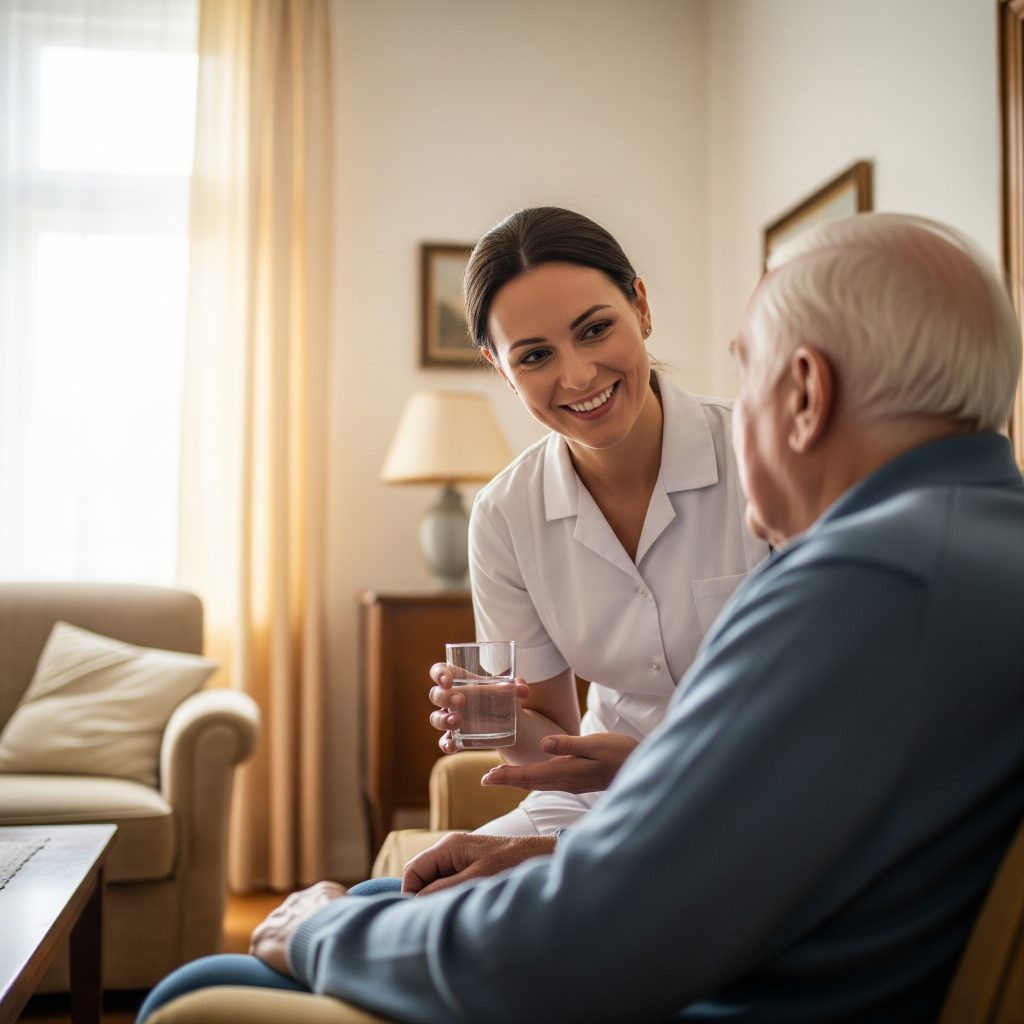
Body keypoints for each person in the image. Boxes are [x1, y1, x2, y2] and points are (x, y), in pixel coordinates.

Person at [138, 212, 1024, 1023]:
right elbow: (756, 844)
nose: (576, 373)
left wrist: (322, 931)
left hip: (704, 968)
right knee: (380, 903)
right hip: (722, 911)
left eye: (745, 367)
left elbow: (593, 944)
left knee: (204, 990)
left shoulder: (857, 583)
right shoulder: (967, 546)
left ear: (802, 391)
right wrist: (561, 843)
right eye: (532, 354)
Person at [428, 206, 767, 836]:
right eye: (533, 356)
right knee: (403, 897)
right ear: (500, 368)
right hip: (596, 805)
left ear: (640, 305)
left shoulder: (767, 455)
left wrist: (651, 767)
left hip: (758, 802)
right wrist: (497, 714)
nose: (577, 376)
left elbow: (834, 707)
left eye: (593, 330)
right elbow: (547, 747)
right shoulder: (505, 515)